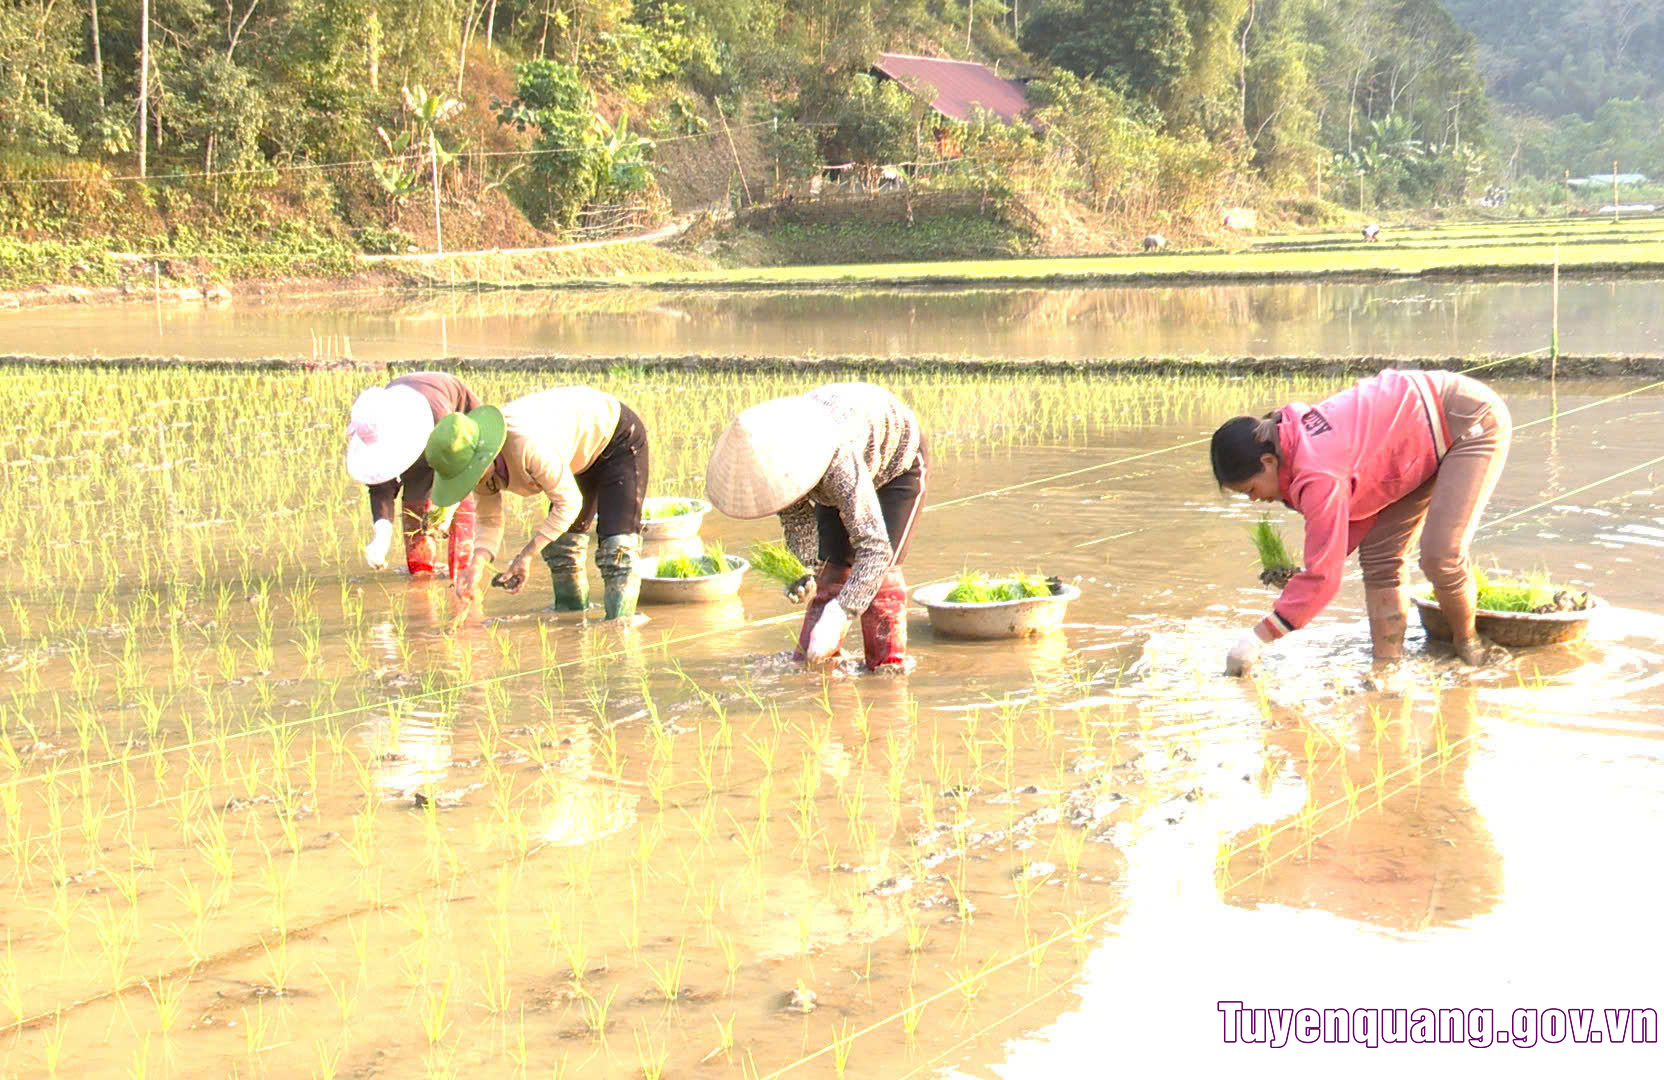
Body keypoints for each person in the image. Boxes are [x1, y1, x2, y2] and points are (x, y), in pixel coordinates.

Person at [1210, 368, 1511, 675]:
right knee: (1380, 557)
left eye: (1250, 489)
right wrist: (1304, 579)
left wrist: (1256, 639)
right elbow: (1346, 521)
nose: (1254, 499)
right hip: (1413, 440)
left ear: (1267, 462)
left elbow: (1325, 579)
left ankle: (1468, 642)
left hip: (1467, 419)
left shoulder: (1316, 472)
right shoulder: (1289, 443)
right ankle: (1386, 669)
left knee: (1440, 554)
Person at [705, 382, 927, 670]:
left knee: (883, 576)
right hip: (839, 465)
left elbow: (874, 548)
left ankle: (888, 672)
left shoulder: (836, 459)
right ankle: (813, 668)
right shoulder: (775, 466)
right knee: (832, 571)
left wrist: (842, 613)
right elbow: (797, 521)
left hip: (897, 462)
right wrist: (803, 571)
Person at [423, 386, 649, 620]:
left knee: (618, 552)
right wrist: (475, 567)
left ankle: (619, 630)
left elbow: (569, 504)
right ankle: (571, 623)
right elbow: (489, 520)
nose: (472, 481)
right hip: (573, 454)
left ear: (483, 455)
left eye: (471, 474)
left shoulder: (527, 445)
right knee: (562, 548)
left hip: (615, 436)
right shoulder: (479, 471)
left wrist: (526, 555)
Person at [344, 371, 482, 580]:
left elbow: (459, 471)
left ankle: (463, 575)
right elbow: (380, 486)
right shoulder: (375, 421)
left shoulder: (439, 417)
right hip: (415, 429)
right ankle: (422, 575)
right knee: (416, 504)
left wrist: (445, 514)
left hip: (453, 426)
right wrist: (381, 537)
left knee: (459, 504)